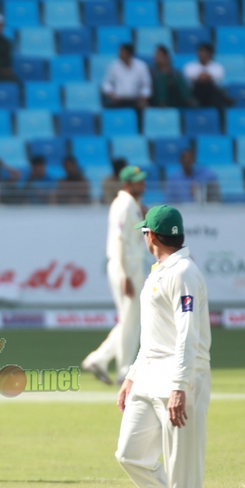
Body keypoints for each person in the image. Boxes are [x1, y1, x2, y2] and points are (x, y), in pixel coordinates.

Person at [116, 205, 211, 488]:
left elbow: (187, 334)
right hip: (150, 374)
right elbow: (154, 334)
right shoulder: (159, 270)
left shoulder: (185, 272)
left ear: (150, 236)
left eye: (144, 234)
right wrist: (132, 374)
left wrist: (180, 386)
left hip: (181, 378)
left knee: (181, 466)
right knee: (130, 453)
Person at [83, 165, 147, 386]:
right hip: (126, 267)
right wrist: (124, 275)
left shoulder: (132, 204)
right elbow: (119, 241)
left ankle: (98, 360)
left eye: (142, 180)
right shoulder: (123, 205)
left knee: (129, 320)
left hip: (131, 266)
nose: (143, 184)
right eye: (138, 181)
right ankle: (124, 371)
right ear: (127, 184)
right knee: (131, 321)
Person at [101, 43, 151, 113]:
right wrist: (111, 94)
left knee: (144, 108)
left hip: (135, 100)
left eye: (122, 52)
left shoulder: (141, 66)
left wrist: (143, 97)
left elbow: (146, 85)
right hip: (118, 100)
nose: (120, 54)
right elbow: (106, 83)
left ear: (129, 53)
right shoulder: (113, 66)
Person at [183, 43, 233, 109]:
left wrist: (203, 77)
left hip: (212, 94)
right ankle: (226, 99)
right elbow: (195, 79)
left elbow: (216, 79)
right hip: (195, 92)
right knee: (202, 84)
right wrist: (204, 78)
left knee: (209, 86)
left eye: (204, 52)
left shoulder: (217, 67)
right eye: (200, 51)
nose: (201, 54)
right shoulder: (189, 66)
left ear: (210, 53)